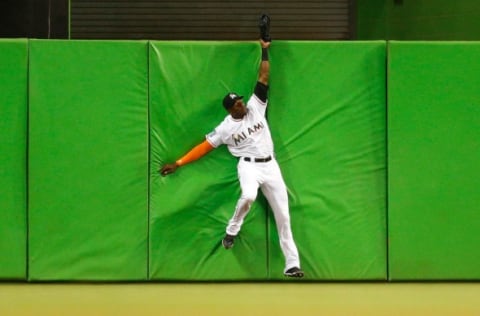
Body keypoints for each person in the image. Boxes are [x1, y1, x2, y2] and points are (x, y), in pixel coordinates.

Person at [160, 38, 304, 278]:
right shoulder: (226, 127)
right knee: (248, 195)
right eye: (237, 104)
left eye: (240, 100)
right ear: (230, 109)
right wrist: (179, 162)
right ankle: (232, 229)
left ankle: (292, 265)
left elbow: (264, 77)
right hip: (248, 167)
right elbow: (205, 146)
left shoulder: (255, 107)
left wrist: (265, 50)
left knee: (284, 215)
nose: (241, 104)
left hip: (271, 165)